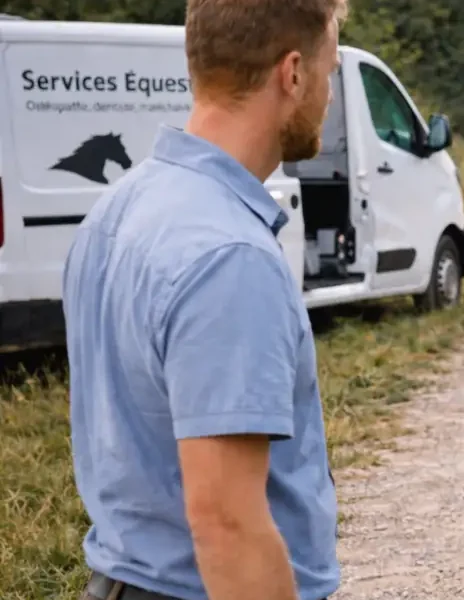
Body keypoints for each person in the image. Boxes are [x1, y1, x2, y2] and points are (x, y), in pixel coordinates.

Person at [62, 0, 347, 598]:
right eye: (330, 69)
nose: (328, 91)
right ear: (292, 73)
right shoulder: (229, 254)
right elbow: (227, 525)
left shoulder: (120, 207)